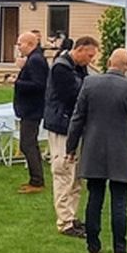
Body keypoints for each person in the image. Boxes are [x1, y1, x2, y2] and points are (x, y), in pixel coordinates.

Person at [68, 47, 127, 253]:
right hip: (121, 152)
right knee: (119, 202)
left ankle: (93, 248)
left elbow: (77, 118)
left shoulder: (89, 84)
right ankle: (120, 252)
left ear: (108, 62)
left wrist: (70, 147)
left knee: (94, 200)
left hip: (94, 150)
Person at [43, 35, 99, 237]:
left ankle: (72, 216)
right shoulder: (61, 67)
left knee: (76, 176)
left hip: (74, 127)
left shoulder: (78, 67)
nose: (91, 60)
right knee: (64, 172)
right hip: (61, 126)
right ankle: (64, 221)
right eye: (90, 55)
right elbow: (75, 95)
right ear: (80, 49)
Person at [12, 30, 49, 193]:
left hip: (32, 109)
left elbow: (39, 85)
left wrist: (17, 82)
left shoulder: (35, 60)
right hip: (30, 109)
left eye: (20, 44)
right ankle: (35, 179)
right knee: (28, 144)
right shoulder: (34, 58)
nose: (18, 47)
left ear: (30, 44)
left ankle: (37, 181)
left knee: (27, 144)